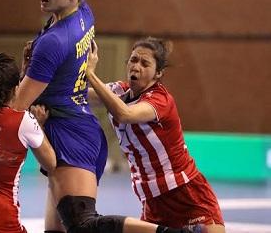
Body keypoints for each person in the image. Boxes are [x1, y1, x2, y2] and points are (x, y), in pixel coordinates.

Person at [13, 0, 203, 233]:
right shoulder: (82, 12)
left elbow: (18, 105)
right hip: (75, 127)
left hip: (69, 134)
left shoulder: (54, 42)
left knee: (82, 223)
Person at [85, 37, 225, 233]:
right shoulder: (119, 91)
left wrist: (90, 74)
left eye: (145, 63)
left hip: (184, 192)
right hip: (151, 199)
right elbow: (78, 96)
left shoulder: (160, 100)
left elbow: (124, 114)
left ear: (158, 73)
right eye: (133, 60)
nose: (136, 66)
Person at [0, 53, 56, 233]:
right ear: (15, 89)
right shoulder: (25, 121)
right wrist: (39, 126)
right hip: (2, 218)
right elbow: (51, 163)